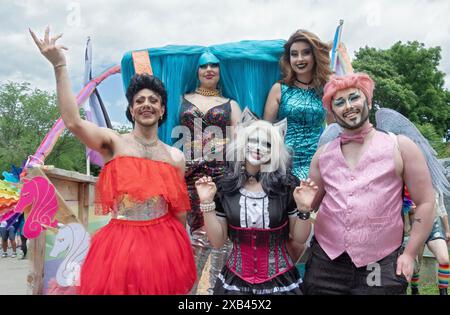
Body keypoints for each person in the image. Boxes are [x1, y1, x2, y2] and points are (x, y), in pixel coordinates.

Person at [30, 26, 196, 294]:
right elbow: (72, 121)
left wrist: (179, 251)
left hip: (164, 245)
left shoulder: (175, 156)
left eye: (154, 100)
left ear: (162, 109)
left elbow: (179, 212)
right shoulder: (113, 143)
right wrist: (60, 66)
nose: (146, 104)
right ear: (131, 109)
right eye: (139, 100)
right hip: (120, 245)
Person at [302, 72, 435, 295]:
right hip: (326, 262)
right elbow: (310, 204)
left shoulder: (401, 146)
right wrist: (302, 203)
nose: (348, 106)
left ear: (369, 101)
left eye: (354, 98)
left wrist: (410, 253)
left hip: (379, 263)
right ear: (332, 111)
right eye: (340, 102)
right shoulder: (322, 154)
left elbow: (425, 202)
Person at [194, 116, 315, 295]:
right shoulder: (226, 186)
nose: (258, 148)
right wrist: (207, 203)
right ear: (243, 143)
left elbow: (299, 238)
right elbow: (218, 242)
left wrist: (304, 209)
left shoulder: (286, 186)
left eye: (267, 144)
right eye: (253, 140)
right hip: (234, 284)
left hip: (281, 283)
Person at [180, 51, 241, 294]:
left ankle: (217, 293)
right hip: (186, 176)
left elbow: (239, 142)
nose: (208, 69)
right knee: (189, 241)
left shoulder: (231, 104)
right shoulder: (180, 98)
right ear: (196, 71)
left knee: (220, 240)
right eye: (203, 65)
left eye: (213, 65)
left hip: (221, 176)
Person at [264, 29, 333, 180]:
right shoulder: (279, 89)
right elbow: (266, 132)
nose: (299, 59)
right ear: (288, 59)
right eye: (294, 54)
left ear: (315, 55)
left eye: (306, 53)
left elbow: (333, 131)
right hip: (284, 165)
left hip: (319, 163)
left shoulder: (326, 90)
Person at [408, 190, 449, 295]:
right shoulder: (409, 181)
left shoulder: (436, 184)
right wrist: (409, 210)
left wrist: (447, 230)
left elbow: (441, 207)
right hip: (416, 228)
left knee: (444, 259)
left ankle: (443, 293)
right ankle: (414, 289)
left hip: (434, 227)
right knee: (415, 267)